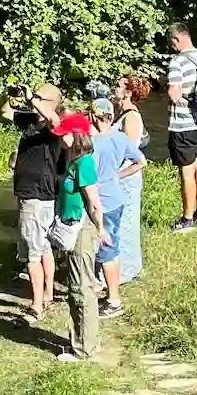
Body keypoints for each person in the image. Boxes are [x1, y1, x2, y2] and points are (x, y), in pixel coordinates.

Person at [0, 83, 63, 323]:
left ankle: (37, 304)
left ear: (51, 102)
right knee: (43, 247)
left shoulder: (53, 125)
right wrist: (8, 96)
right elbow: (4, 113)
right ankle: (47, 295)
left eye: (39, 96)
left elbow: (54, 120)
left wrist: (31, 98)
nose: (33, 99)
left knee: (33, 254)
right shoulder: (29, 121)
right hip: (28, 194)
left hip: (38, 196)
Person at [49, 111, 106, 360]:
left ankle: (84, 348)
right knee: (78, 286)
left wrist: (101, 230)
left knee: (81, 288)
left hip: (82, 231)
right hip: (75, 229)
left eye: (65, 136)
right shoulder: (76, 161)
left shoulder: (84, 163)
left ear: (76, 136)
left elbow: (93, 202)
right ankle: (86, 342)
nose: (62, 140)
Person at [90, 100, 145, 317]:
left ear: (94, 117)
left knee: (104, 250)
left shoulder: (93, 143)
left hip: (100, 202)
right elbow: (140, 162)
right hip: (117, 199)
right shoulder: (120, 137)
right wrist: (118, 175)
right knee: (113, 245)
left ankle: (113, 300)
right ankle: (109, 288)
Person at [164, 23, 197, 230]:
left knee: (186, 172)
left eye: (171, 42)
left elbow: (173, 92)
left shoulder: (177, 61)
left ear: (176, 39)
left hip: (183, 125)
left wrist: (185, 102)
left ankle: (186, 220)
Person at [112, 74, 151, 282]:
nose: (114, 88)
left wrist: (115, 173)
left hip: (127, 175)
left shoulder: (131, 117)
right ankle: (122, 267)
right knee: (118, 221)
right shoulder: (120, 112)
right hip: (119, 176)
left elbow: (128, 150)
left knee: (126, 221)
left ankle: (127, 270)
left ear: (128, 92)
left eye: (118, 86)